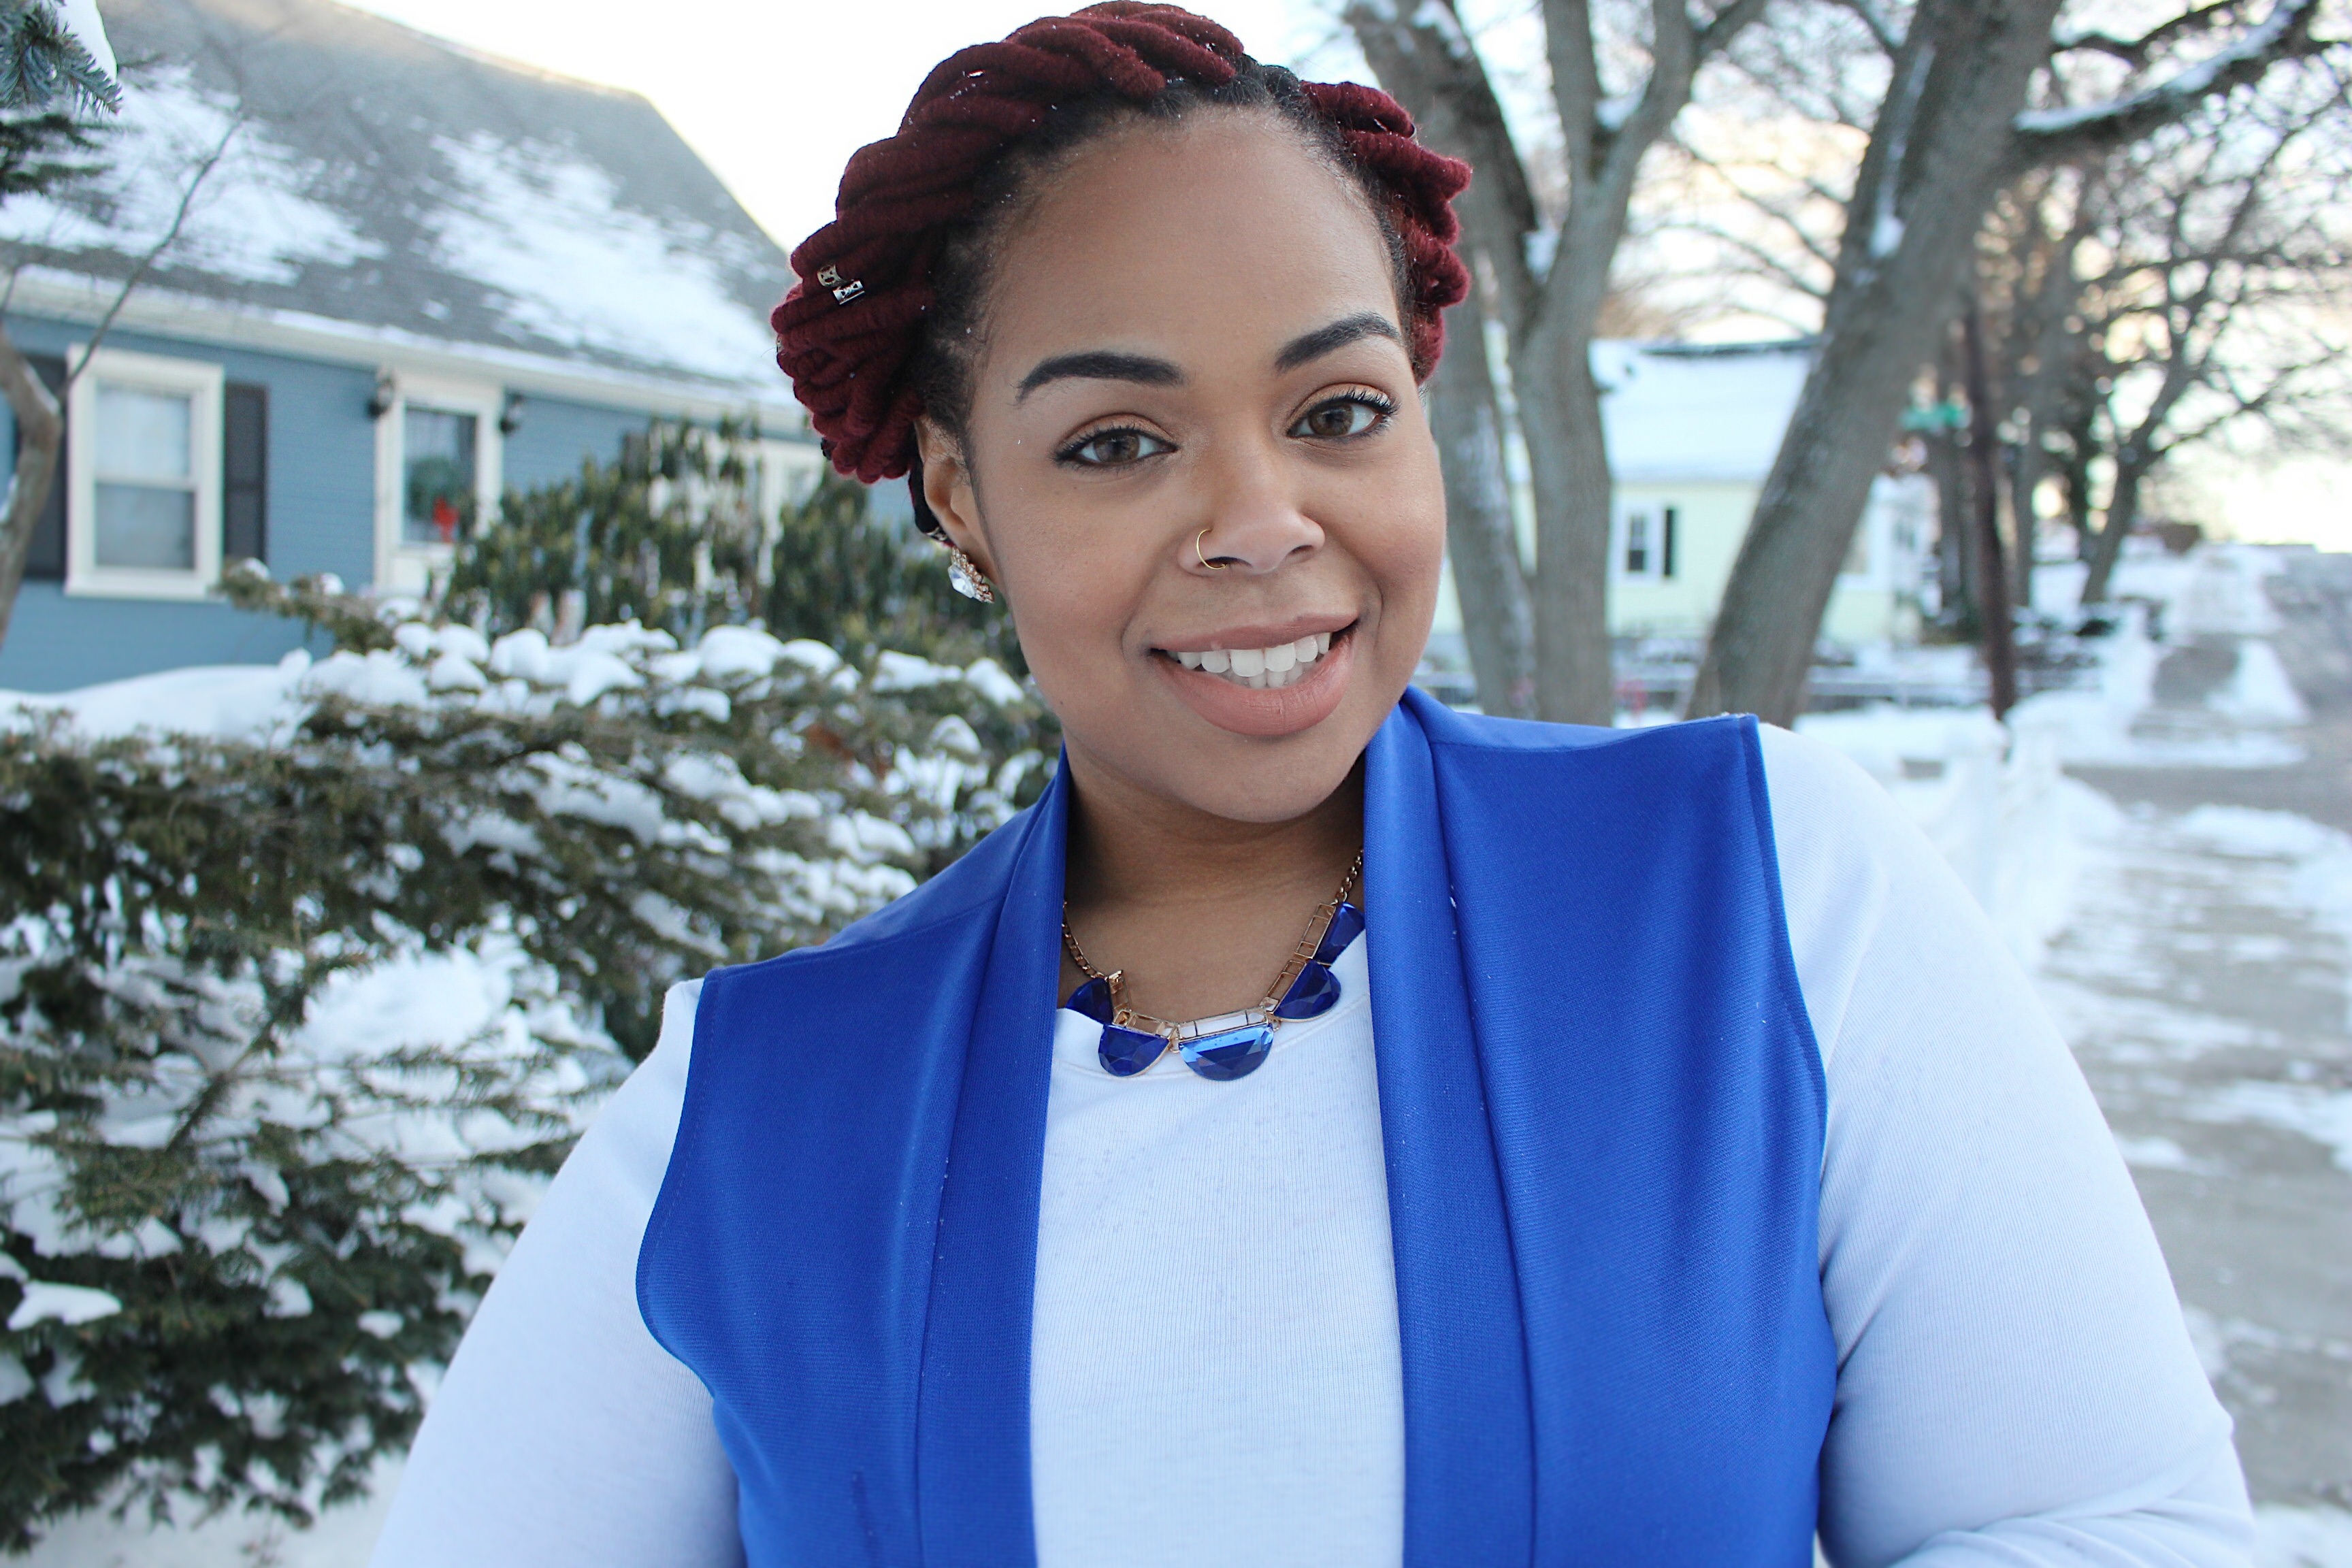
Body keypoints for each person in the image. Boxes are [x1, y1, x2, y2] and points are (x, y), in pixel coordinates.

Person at [372, 7, 2251, 1565]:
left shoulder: (1756, 900)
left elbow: (2115, 1520)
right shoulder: (760, 1103)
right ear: (959, 497)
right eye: (1116, 442)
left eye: (1337, 412)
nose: (1261, 526)